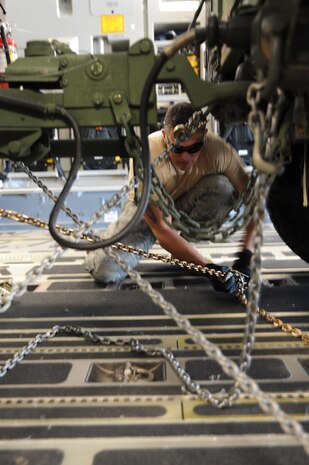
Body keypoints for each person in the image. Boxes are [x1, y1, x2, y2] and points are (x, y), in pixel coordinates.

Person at [85, 102, 255, 294]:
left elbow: (255, 202)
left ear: (204, 136)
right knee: (106, 269)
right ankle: (97, 246)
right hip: (149, 215)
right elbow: (162, 230)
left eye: (194, 148)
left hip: (184, 206)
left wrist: (246, 257)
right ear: (166, 137)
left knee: (224, 187)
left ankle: (185, 252)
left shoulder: (219, 152)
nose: (186, 157)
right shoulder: (149, 155)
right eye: (178, 149)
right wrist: (208, 268)